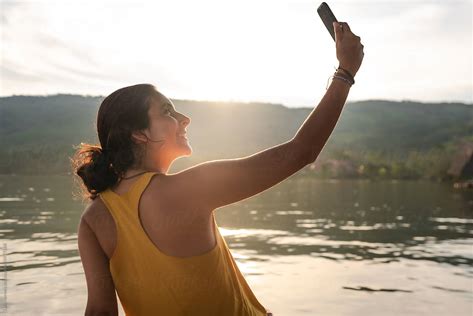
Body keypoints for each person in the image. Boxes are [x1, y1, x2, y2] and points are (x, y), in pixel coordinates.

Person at [73, 21, 363, 316]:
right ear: (139, 133)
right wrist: (345, 72)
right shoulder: (190, 189)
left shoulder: (93, 220)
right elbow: (300, 152)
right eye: (167, 112)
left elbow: (100, 311)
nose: (184, 119)